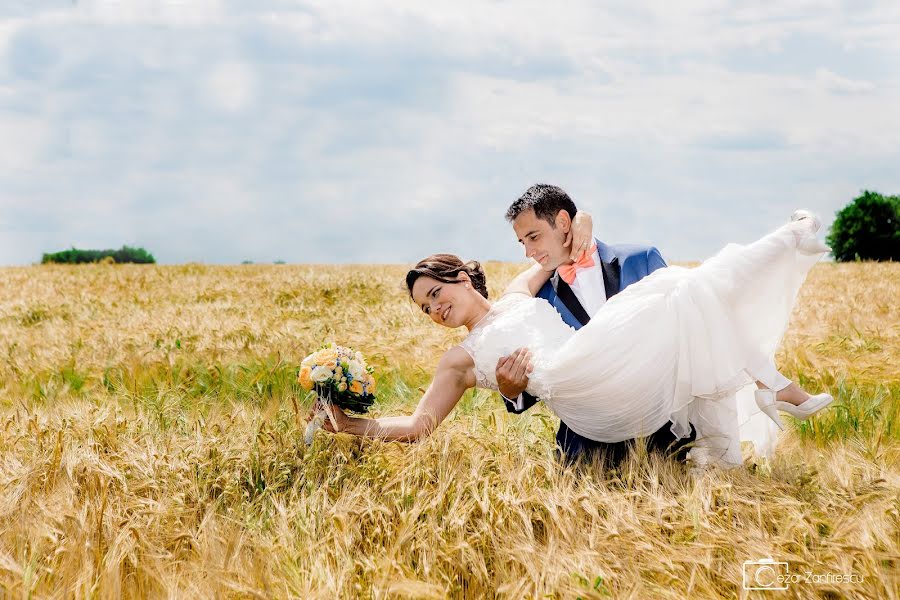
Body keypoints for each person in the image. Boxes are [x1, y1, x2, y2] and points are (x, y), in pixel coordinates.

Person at [309, 208, 834, 467]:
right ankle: (774, 378)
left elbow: (563, 244)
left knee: (685, 293)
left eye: (434, 293)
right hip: (581, 394)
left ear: (460, 278)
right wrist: (351, 424)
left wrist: (582, 216)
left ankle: (787, 259)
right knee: (680, 290)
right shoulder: (459, 361)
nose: (434, 310)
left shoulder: (518, 291)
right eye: (425, 309)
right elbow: (419, 425)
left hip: (603, 358)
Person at [494, 184, 691, 467]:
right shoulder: (540, 300)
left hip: (665, 434)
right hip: (586, 448)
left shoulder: (642, 259)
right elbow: (541, 370)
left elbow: (687, 333)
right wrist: (512, 393)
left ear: (563, 222)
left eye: (533, 237)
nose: (528, 251)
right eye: (522, 242)